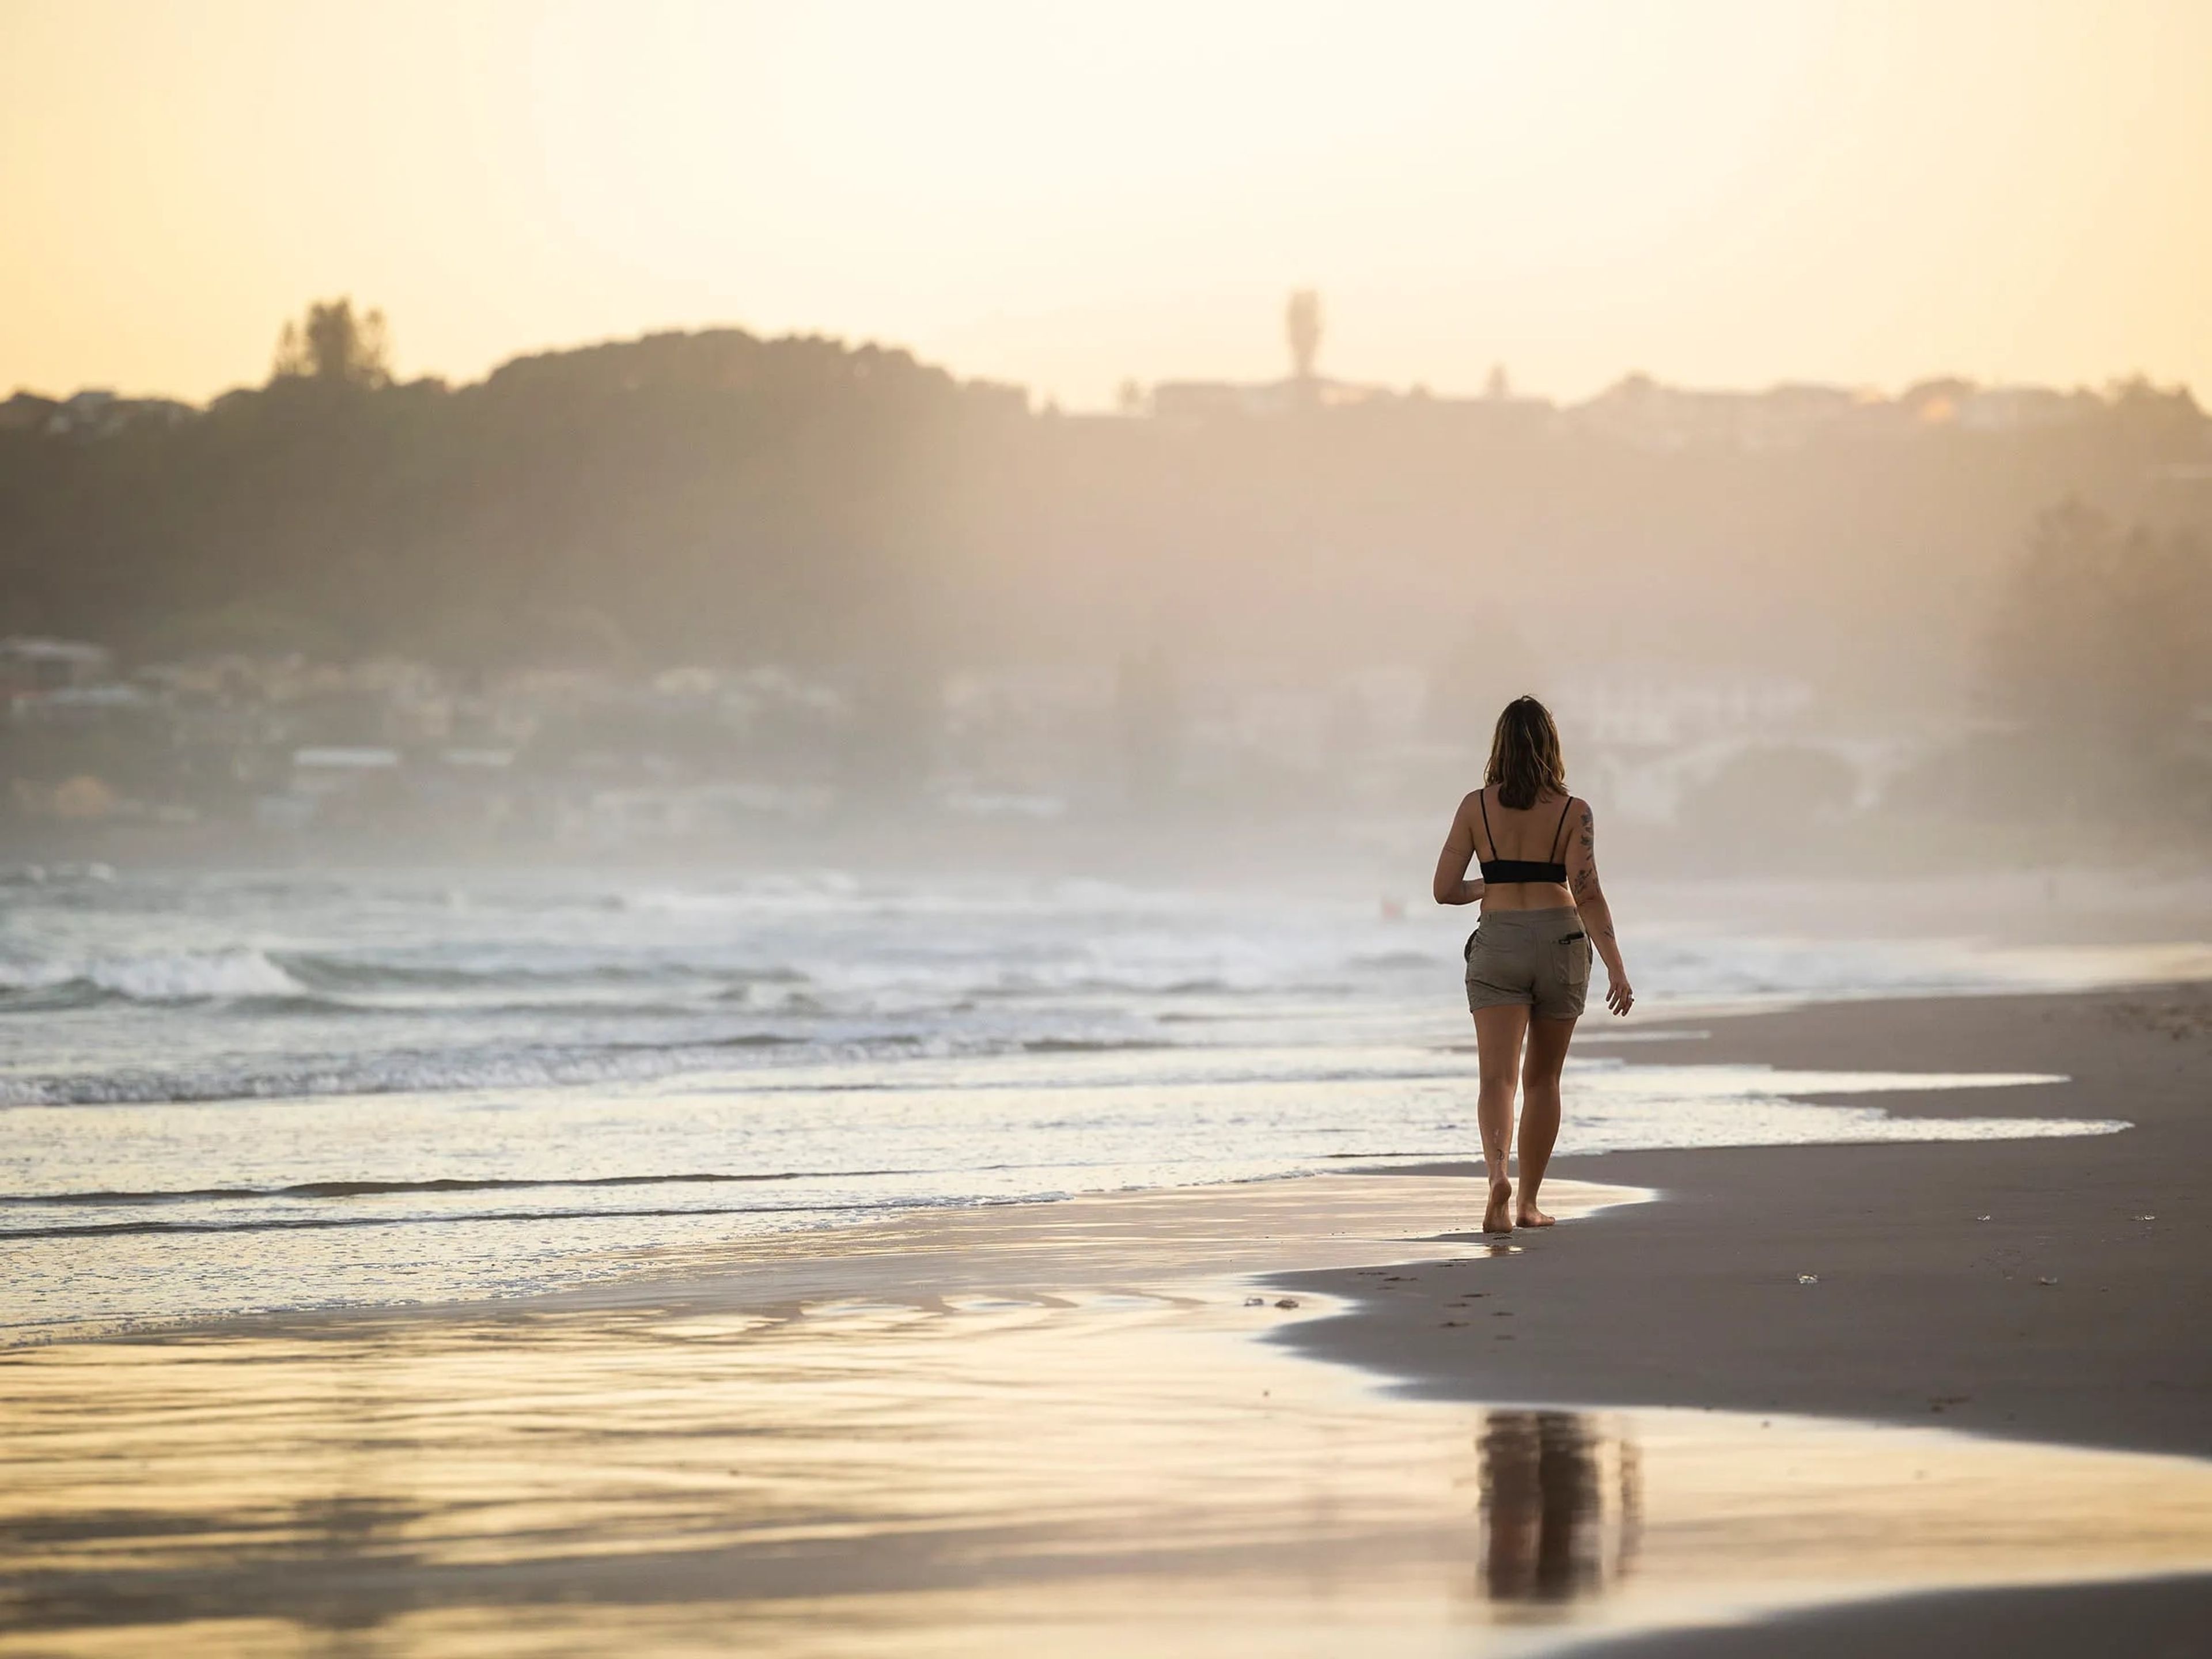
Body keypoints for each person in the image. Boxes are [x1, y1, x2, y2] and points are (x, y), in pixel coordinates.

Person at [1431, 696, 1632, 1234]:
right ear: (1551, 746)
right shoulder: (1574, 812)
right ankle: (1527, 1203)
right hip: (1560, 939)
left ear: (1498, 745)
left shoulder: (1475, 807)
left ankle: (1497, 1175)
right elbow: (1588, 894)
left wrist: (1491, 883)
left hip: (1499, 941)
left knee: (1496, 1079)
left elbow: (1444, 890)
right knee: (1542, 1080)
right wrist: (1615, 965)